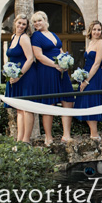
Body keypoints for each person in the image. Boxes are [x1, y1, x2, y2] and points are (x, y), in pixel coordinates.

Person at [31, 10, 75, 145]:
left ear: (45, 21)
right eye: (34, 22)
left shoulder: (53, 34)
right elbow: (39, 56)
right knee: (49, 102)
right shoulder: (36, 37)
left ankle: (66, 135)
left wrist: (65, 62)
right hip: (46, 71)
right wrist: (56, 65)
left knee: (67, 100)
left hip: (61, 71)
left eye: (39, 20)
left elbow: (60, 50)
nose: (37, 23)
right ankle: (48, 137)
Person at [4, 14, 37, 143]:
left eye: (24, 24)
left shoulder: (24, 38)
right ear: (15, 23)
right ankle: (19, 139)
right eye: (19, 23)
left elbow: (30, 59)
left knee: (27, 108)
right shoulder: (13, 37)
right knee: (19, 108)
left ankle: (26, 140)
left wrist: (19, 76)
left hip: (26, 76)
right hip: (16, 76)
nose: (21, 26)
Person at [74, 20, 102, 140]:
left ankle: (94, 133)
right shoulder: (91, 42)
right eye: (94, 29)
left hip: (95, 76)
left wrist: (86, 81)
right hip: (87, 74)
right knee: (84, 101)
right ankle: (93, 132)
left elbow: (97, 63)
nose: (97, 32)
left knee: (91, 101)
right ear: (90, 31)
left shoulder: (101, 43)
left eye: (99, 30)